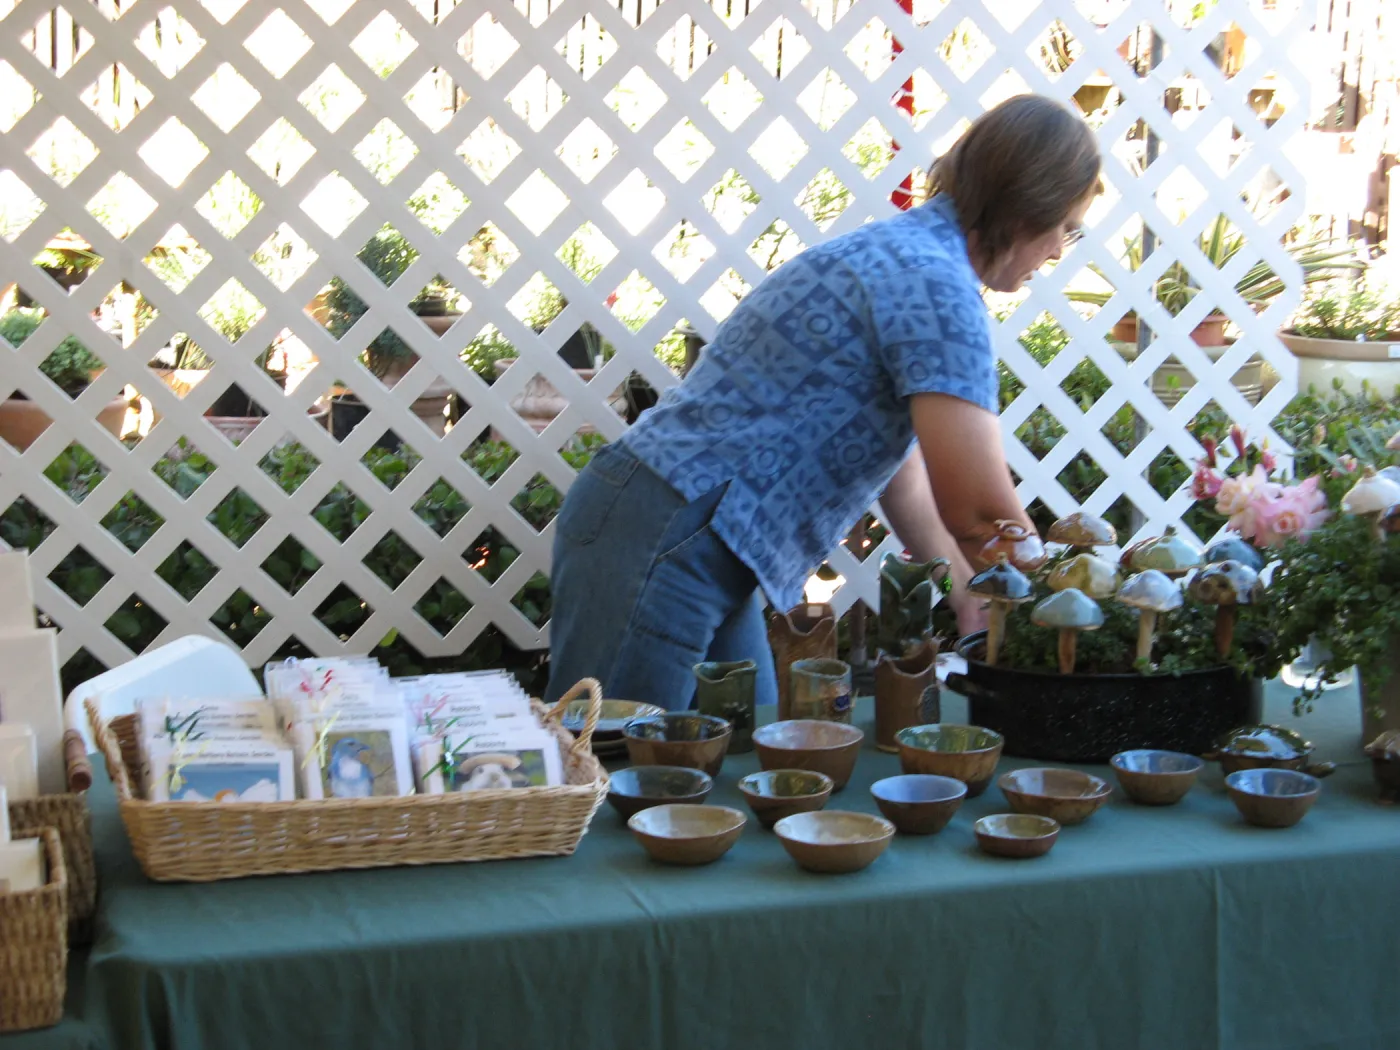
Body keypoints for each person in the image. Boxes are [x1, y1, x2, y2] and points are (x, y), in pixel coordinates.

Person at [544, 94, 1101, 710]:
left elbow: (904, 474)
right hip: (665, 536)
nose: (1057, 250)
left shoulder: (904, 256)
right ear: (1031, 204)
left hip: (687, 535)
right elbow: (979, 512)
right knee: (616, 776)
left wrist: (967, 591)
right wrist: (1050, 609)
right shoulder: (937, 289)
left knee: (741, 765)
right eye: (1067, 228)